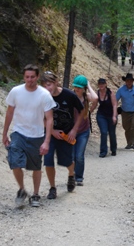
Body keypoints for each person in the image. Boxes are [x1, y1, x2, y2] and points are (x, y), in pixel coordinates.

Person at [2, 64, 56, 207]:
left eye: (32, 77)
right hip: (19, 132)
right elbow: (9, 112)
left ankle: (36, 194)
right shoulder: (16, 91)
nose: (30, 80)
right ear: (23, 77)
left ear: (37, 77)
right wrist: (5, 133)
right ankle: (21, 189)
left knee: (36, 166)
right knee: (14, 162)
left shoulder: (44, 95)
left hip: (37, 135)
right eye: (27, 77)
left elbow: (49, 119)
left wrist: (46, 141)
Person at [40, 71, 84, 200]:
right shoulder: (41, 97)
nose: (46, 88)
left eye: (48, 85)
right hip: (50, 133)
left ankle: (71, 174)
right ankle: (52, 188)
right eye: (44, 86)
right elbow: (39, 117)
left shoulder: (69, 95)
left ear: (56, 83)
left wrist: (74, 130)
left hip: (66, 133)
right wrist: (52, 131)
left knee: (67, 161)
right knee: (48, 160)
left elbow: (82, 111)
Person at [72, 75, 98, 186]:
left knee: (79, 155)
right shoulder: (71, 97)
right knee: (72, 156)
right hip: (71, 131)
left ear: (83, 88)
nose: (76, 89)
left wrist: (88, 84)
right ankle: (71, 175)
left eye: (79, 87)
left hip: (83, 131)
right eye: (75, 87)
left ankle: (79, 177)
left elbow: (95, 98)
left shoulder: (86, 97)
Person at [90, 78, 118, 157]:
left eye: (103, 83)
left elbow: (115, 105)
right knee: (104, 132)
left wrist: (114, 116)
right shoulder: (97, 93)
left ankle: (113, 149)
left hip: (111, 114)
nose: (101, 85)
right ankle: (103, 151)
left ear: (106, 84)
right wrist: (88, 113)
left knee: (112, 133)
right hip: (101, 115)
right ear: (98, 85)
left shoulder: (110, 93)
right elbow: (94, 105)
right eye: (99, 84)